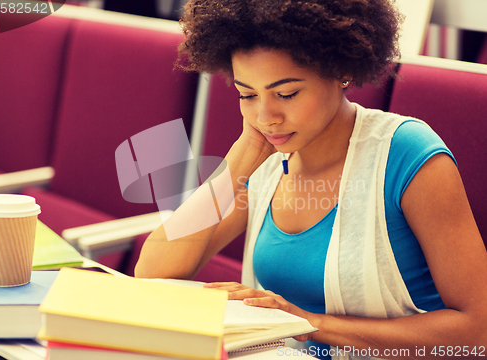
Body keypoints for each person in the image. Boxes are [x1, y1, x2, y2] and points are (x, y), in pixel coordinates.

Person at [135, 0, 487, 358]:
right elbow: (153, 273)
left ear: (341, 71)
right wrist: (244, 155)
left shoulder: (406, 155)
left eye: (286, 94)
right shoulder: (265, 162)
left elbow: (478, 334)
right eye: (247, 95)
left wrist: (306, 322)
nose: (265, 116)